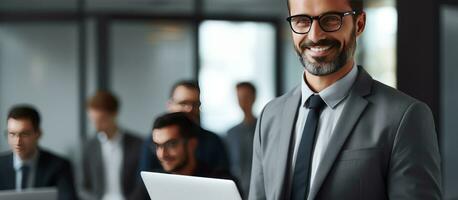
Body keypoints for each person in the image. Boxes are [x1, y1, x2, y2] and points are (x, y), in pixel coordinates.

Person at [248, 0, 441, 199]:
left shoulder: (405, 117)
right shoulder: (270, 116)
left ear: (359, 24)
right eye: (302, 21)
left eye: (331, 20)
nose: (315, 36)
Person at [137, 80, 229, 174]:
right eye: (183, 103)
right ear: (170, 105)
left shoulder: (213, 141)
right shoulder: (152, 141)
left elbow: (223, 179)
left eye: (195, 104)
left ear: (192, 144)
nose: (189, 109)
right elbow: (144, 181)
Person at [0, 105, 77, 200]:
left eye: (24, 134)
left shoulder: (59, 166)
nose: (17, 142)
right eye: (12, 134)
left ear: (38, 134)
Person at [81, 91, 143, 200]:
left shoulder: (138, 144)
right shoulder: (89, 147)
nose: (97, 126)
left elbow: (141, 184)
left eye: (101, 120)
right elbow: (83, 186)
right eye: (93, 121)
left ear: (114, 114)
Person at [225, 82, 257, 199]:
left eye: (246, 97)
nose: (243, 101)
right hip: (236, 190)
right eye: (240, 98)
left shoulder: (264, 127)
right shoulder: (231, 133)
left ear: (254, 97)